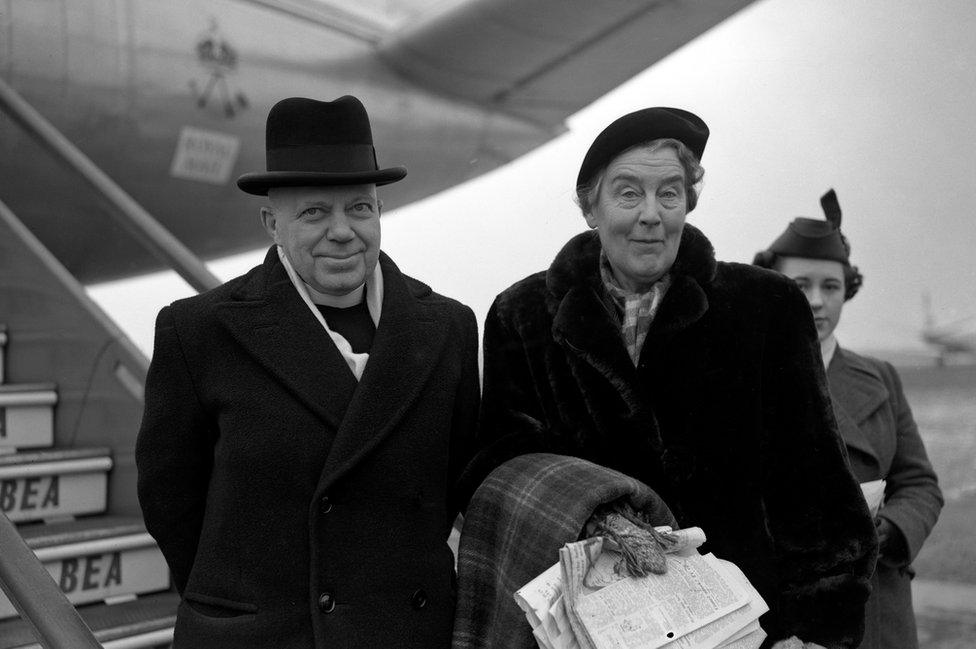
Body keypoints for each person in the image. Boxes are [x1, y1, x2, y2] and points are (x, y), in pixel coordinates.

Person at [459, 107, 877, 648]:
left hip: (750, 626)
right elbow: (498, 460)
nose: (651, 214)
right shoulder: (522, 314)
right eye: (628, 193)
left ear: (689, 204)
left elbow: (816, 482)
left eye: (670, 194)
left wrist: (820, 629)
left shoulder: (765, 306)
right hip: (592, 626)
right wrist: (595, 512)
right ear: (591, 206)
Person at [136, 95, 479, 649]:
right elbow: (170, 500)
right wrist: (238, 603)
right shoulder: (198, 331)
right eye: (315, 212)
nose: (343, 231)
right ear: (272, 223)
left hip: (405, 631)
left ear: (379, 213)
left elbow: (456, 483)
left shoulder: (447, 328)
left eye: (360, 208)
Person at [753, 191, 943, 649]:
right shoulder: (743, 377)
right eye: (800, 285)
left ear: (847, 290)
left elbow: (920, 484)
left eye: (831, 287)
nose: (817, 302)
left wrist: (891, 528)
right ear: (774, 287)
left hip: (876, 605)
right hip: (778, 606)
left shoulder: (881, 378)